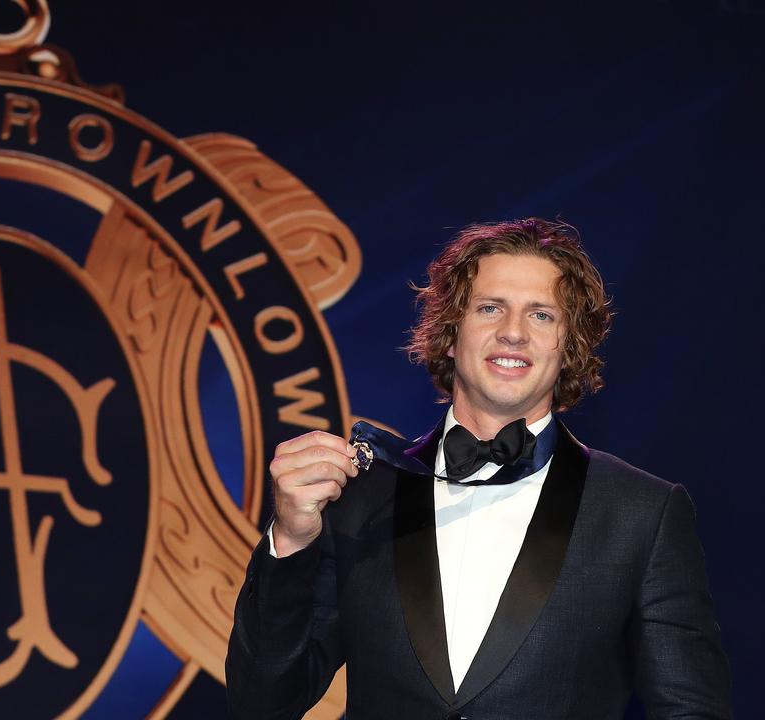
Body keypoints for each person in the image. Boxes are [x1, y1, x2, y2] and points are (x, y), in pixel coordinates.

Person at [226, 219, 731, 719]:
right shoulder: (362, 494)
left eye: (541, 316)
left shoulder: (642, 512)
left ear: (569, 346)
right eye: (490, 308)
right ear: (450, 334)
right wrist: (291, 539)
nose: (512, 332)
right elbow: (263, 701)